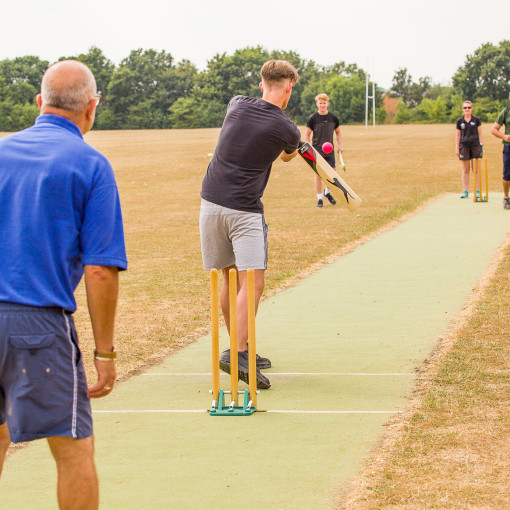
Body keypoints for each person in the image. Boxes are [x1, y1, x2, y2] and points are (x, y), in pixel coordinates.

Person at [0, 60, 127, 510]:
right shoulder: (91, 164)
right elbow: (99, 270)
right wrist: (105, 352)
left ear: (39, 102)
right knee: (74, 448)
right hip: (37, 326)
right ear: (93, 108)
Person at [199, 60, 301, 390]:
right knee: (253, 283)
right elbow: (285, 156)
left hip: (210, 203)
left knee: (230, 280)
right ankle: (238, 351)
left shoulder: (236, 104)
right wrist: (297, 146)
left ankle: (241, 348)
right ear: (288, 88)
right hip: (243, 211)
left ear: (261, 84)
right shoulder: (288, 129)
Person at [304, 93, 343, 207]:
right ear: (317, 104)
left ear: (327, 104)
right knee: (318, 175)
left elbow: (338, 132)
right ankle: (319, 198)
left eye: (324, 103)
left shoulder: (333, 117)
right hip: (317, 151)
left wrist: (340, 146)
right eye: (320, 103)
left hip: (329, 151)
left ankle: (327, 193)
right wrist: (308, 147)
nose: (322, 105)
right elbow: (307, 134)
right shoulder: (313, 118)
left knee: (333, 174)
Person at [455, 100, 483, 198]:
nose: (467, 109)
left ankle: (478, 191)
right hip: (464, 145)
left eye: (469, 107)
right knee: (465, 169)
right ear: (462, 109)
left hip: (475, 145)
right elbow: (458, 135)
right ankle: (465, 191)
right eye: (465, 107)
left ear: (472, 109)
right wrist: (457, 148)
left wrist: (481, 144)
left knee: (475, 169)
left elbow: (480, 133)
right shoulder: (459, 121)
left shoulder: (476, 120)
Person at [491, 92, 510, 209]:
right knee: (507, 174)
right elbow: (494, 129)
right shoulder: (506, 111)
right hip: (508, 146)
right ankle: (506, 198)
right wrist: (504, 136)